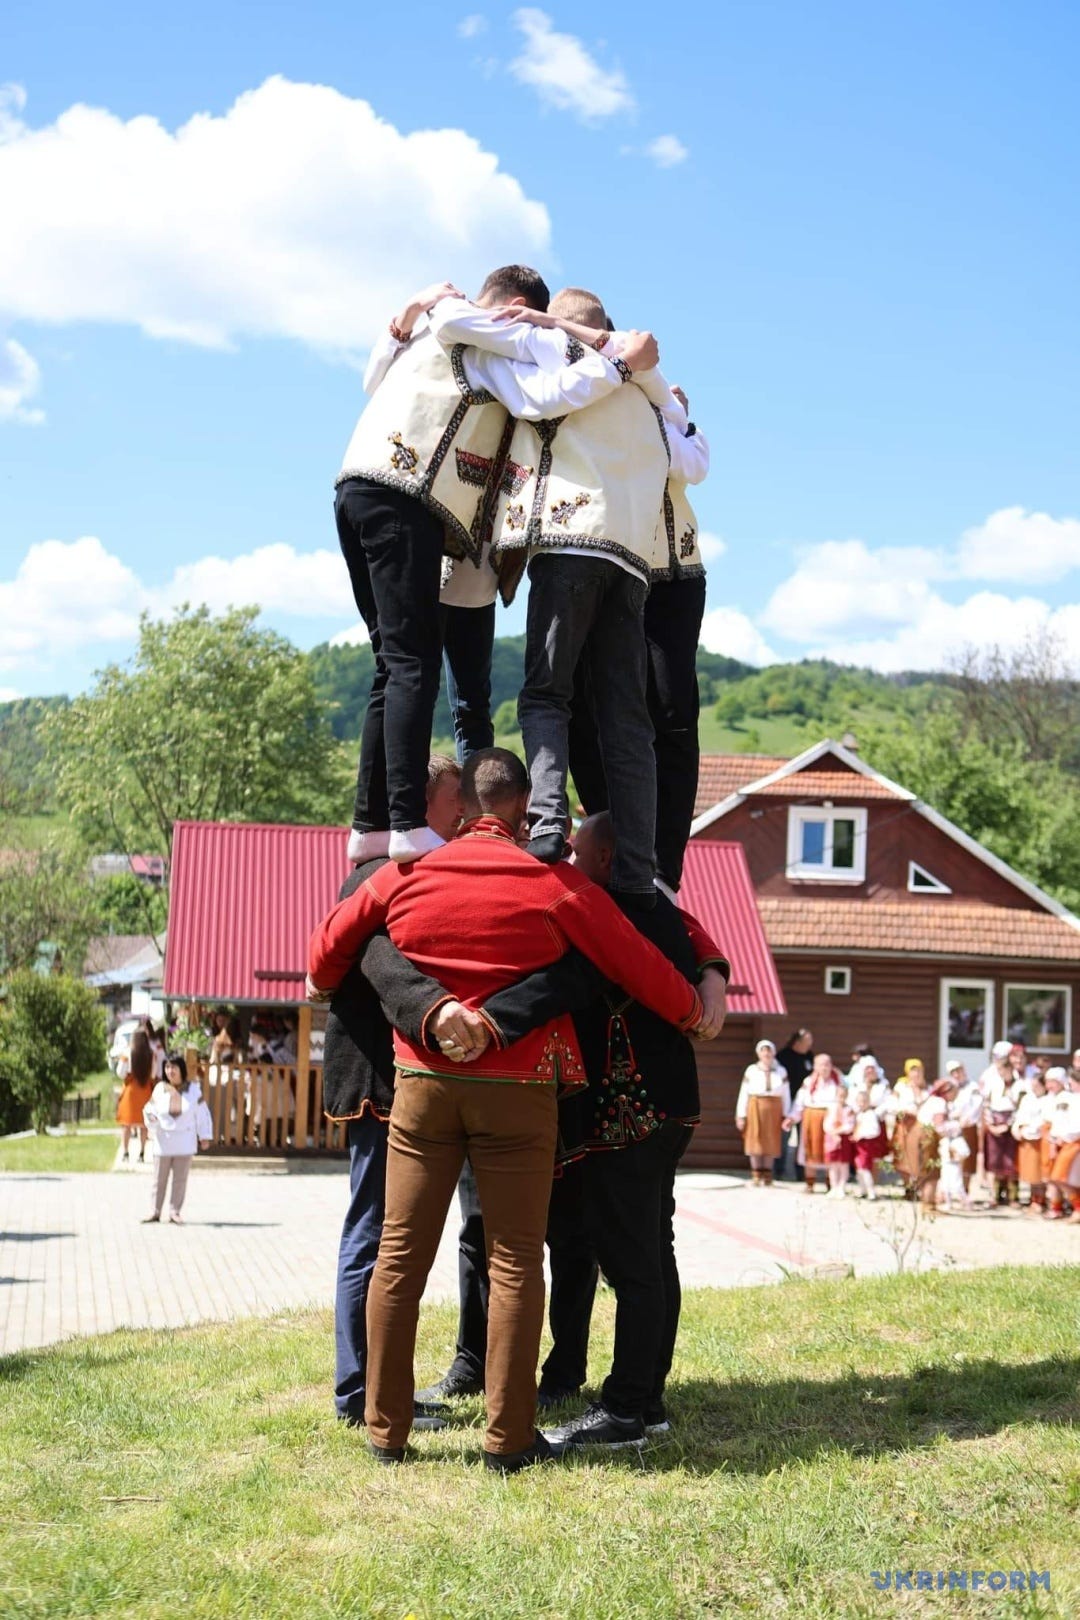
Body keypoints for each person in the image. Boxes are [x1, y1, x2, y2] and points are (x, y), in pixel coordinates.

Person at [307, 748, 711, 1474]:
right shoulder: (553, 883)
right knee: (518, 1259)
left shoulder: (405, 875)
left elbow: (324, 955)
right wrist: (691, 1007)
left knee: (400, 1254)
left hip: (423, 1084)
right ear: (527, 811)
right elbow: (635, 962)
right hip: (522, 1090)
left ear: (462, 808)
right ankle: (507, 1439)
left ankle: (384, 1430)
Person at [335, 269, 657, 867]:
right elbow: (540, 396)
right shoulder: (473, 335)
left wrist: (405, 314)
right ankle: (406, 822)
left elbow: (372, 377)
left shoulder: (424, 338)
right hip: (412, 501)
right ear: (513, 311)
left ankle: (370, 825)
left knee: (397, 668)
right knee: (416, 667)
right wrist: (617, 364)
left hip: (366, 496)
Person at [443, 286, 677, 905]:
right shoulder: (647, 385)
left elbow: (531, 399)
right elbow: (684, 443)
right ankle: (637, 867)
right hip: (629, 561)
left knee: (547, 694)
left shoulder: (555, 354)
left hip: (568, 539)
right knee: (628, 722)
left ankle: (547, 825)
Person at [537, 812, 728, 1453]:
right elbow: (701, 943)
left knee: (632, 1262)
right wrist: (715, 974)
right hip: (667, 1107)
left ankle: (624, 1411)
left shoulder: (610, 913)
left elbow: (566, 981)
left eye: (581, 852)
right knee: (653, 1251)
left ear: (611, 856)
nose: (571, 860)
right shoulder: (657, 910)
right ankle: (648, 1400)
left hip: (630, 1111)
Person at [141, 1055, 213, 1225]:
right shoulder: (159, 1089)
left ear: (181, 1069)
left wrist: (204, 1135)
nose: (170, 1071)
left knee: (180, 1180)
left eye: (174, 1067)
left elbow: (202, 1113)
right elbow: (149, 1109)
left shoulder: (194, 1090)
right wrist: (151, 1119)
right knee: (159, 1179)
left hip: (185, 1140)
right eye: (167, 1067)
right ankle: (155, 1211)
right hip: (163, 1140)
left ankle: (175, 1211)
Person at [735, 1040, 791, 1187]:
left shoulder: (781, 1071)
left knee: (771, 1140)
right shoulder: (751, 1070)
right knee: (755, 1139)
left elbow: (786, 1094)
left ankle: (767, 1174)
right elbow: (744, 1093)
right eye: (763, 1051)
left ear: (773, 1053)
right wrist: (741, 1115)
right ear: (758, 1053)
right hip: (755, 1107)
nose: (766, 1054)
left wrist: (786, 1114)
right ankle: (756, 1174)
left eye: (769, 1051)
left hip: (774, 1109)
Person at [791, 1054, 840, 1193]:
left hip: (830, 1118)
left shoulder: (838, 1082)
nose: (824, 1068)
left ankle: (830, 1183)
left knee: (829, 1150)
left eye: (827, 1064)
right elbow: (799, 1102)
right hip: (811, 1118)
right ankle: (810, 1183)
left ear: (831, 1066)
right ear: (815, 1066)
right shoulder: (808, 1082)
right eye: (821, 1064)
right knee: (810, 1149)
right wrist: (792, 1118)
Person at [982, 1041, 1020, 1205]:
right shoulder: (991, 1081)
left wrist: (1009, 1125)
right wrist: (991, 1125)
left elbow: (1020, 1107)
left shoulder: (1019, 1084)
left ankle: (1013, 1196)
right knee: (994, 1161)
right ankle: (995, 1195)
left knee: (1011, 1161)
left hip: (1011, 1124)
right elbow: (986, 1104)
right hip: (994, 1124)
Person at [775, 1028, 814, 1180]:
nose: (810, 1044)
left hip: (803, 1103)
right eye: (808, 1041)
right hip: (787, 1101)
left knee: (803, 1138)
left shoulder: (809, 1056)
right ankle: (779, 1170)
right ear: (798, 1042)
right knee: (784, 1137)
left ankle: (801, 1173)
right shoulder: (783, 1056)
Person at [891, 1059, 930, 1195]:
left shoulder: (927, 1089)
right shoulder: (901, 1086)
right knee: (903, 1155)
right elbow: (892, 1103)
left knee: (920, 1156)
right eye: (913, 1071)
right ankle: (908, 1186)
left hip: (922, 1126)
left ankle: (918, 1186)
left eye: (918, 1071)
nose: (916, 1074)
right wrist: (904, 1111)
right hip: (905, 1124)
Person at [116, 1026, 154, 1164]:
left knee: (127, 1123)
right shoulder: (151, 1054)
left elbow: (120, 1072)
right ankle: (142, 1153)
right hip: (145, 1090)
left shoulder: (127, 1052)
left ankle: (125, 1153)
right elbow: (154, 1074)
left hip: (131, 1090)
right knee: (144, 1124)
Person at [1012, 1072, 1048, 1211]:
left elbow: (1044, 1119)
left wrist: (1032, 1128)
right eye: (1032, 1085)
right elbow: (1020, 1115)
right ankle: (1033, 1199)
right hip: (1026, 1138)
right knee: (1030, 1172)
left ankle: (1040, 1200)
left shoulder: (1048, 1100)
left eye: (1037, 1085)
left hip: (1039, 1138)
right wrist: (1018, 1128)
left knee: (1039, 1172)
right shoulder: (1027, 1098)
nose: (1034, 1088)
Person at [949, 1060, 984, 1196]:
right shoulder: (949, 1086)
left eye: (959, 1071)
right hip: (952, 1126)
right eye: (953, 1072)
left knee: (967, 1160)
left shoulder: (973, 1087)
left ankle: (964, 1190)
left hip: (968, 1126)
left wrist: (966, 1119)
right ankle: (952, 1190)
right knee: (952, 1158)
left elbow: (976, 1106)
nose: (957, 1074)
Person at [851, 1079, 889, 1200]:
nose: (862, 1104)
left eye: (864, 1101)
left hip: (866, 1145)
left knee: (865, 1168)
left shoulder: (871, 1114)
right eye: (860, 1102)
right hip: (858, 1145)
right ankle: (862, 1189)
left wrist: (861, 1135)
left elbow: (874, 1131)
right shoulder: (859, 1114)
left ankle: (871, 1191)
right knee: (859, 1168)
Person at [823, 1086, 856, 1198]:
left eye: (843, 1095)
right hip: (831, 1137)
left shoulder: (849, 1109)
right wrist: (833, 1133)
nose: (841, 1097)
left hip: (844, 1138)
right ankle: (833, 1187)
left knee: (843, 1164)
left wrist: (839, 1131)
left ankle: (841, 1187)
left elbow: (850, 1124)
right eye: (839, 1095)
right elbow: (826, 1123)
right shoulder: (831, 1108)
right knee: (833, 1164)